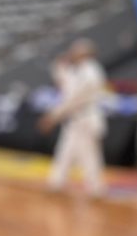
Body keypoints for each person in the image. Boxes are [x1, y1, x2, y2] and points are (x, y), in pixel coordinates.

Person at [39, 38, 108, 197]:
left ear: (85, 53)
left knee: (89, 154)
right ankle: (56, 182)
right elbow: (64, 85)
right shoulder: (79, 70)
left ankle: (96, 188)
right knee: (66, 150)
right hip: (75, 118)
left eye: (76, 51)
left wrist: (52, 116)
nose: (72, 54)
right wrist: (59, 66)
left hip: (86, 117)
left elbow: (73, 98)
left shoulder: (90, 71)